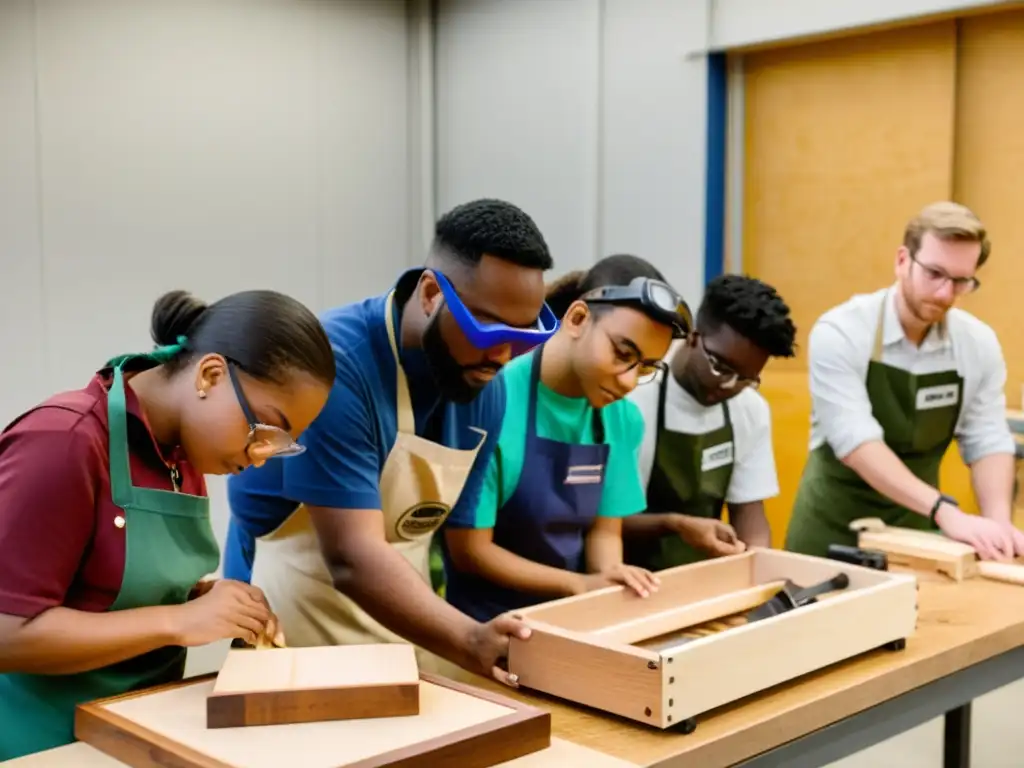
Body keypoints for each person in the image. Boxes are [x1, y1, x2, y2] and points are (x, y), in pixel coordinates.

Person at [223, 199, 558, 684]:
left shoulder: (487, 388)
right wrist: (468, 640)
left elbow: (459, 545)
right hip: (290, 615)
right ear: (429, 293)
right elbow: (352, 557)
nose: (503, 354)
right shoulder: (335, 367)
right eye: (485, 328)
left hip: (402, 621)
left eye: (523, 338)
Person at [0, 288, 337, 760]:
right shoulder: (63, 442)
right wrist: (177, 620)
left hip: (136, 733)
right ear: (211, 375)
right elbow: (7, 633)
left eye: (280, 445)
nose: (260, 459)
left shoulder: (185, 452)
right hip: (43, 746)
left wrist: (208, 601)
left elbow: (103, 589)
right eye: (265, 431)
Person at [441, 255, 709, 622]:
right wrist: (579, 585)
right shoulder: (492, 402)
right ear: (578, 318)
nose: (629, 381)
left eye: (645, 367)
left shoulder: (622, 417)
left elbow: (604, 530)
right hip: (482, 624)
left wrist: (609, 576)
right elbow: (470, 551)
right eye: (622, 353)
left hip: (570, 620)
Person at [785, 201, 1024, 560]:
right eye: (934, 274)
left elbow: (987, 438)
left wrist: (999, 525)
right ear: (902, 261)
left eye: (961, 281)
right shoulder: (842, 331)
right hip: (832, 530)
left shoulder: (977, 344)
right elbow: (856, 442)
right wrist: (946, 512)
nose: (945, 293)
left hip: (919, 534)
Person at [624, 274, 797, 569]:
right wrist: (676, 525)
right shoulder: (633, 398)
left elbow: (750, 513)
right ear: (693, 337)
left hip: (704, 580)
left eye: (746, 378)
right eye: (720, 367)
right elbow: (606, 522)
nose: (729, 386)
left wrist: (756, 565)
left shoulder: (749, 409)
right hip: (631, 578)